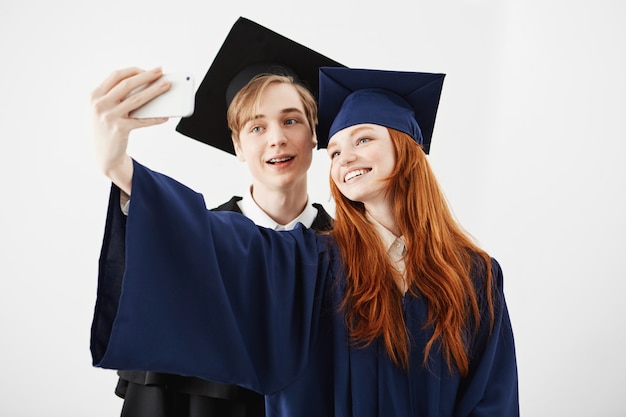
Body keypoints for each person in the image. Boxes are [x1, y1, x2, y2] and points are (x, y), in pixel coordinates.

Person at [90, 66, 519, 416]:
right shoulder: (312, 261)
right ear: (237, 144)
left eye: (364, 139)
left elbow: (490, 397)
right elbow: (218, 237)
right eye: (336, 151)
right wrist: (122, 168)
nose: (346, 156)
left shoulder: (476, 273)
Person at [95, 17, 342, 417]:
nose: (276, 137)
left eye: (291, 120)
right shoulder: (197, 246)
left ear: (315, 133)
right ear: (238, 146)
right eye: (256, 126)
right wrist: (117, 166)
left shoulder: (353, 252)